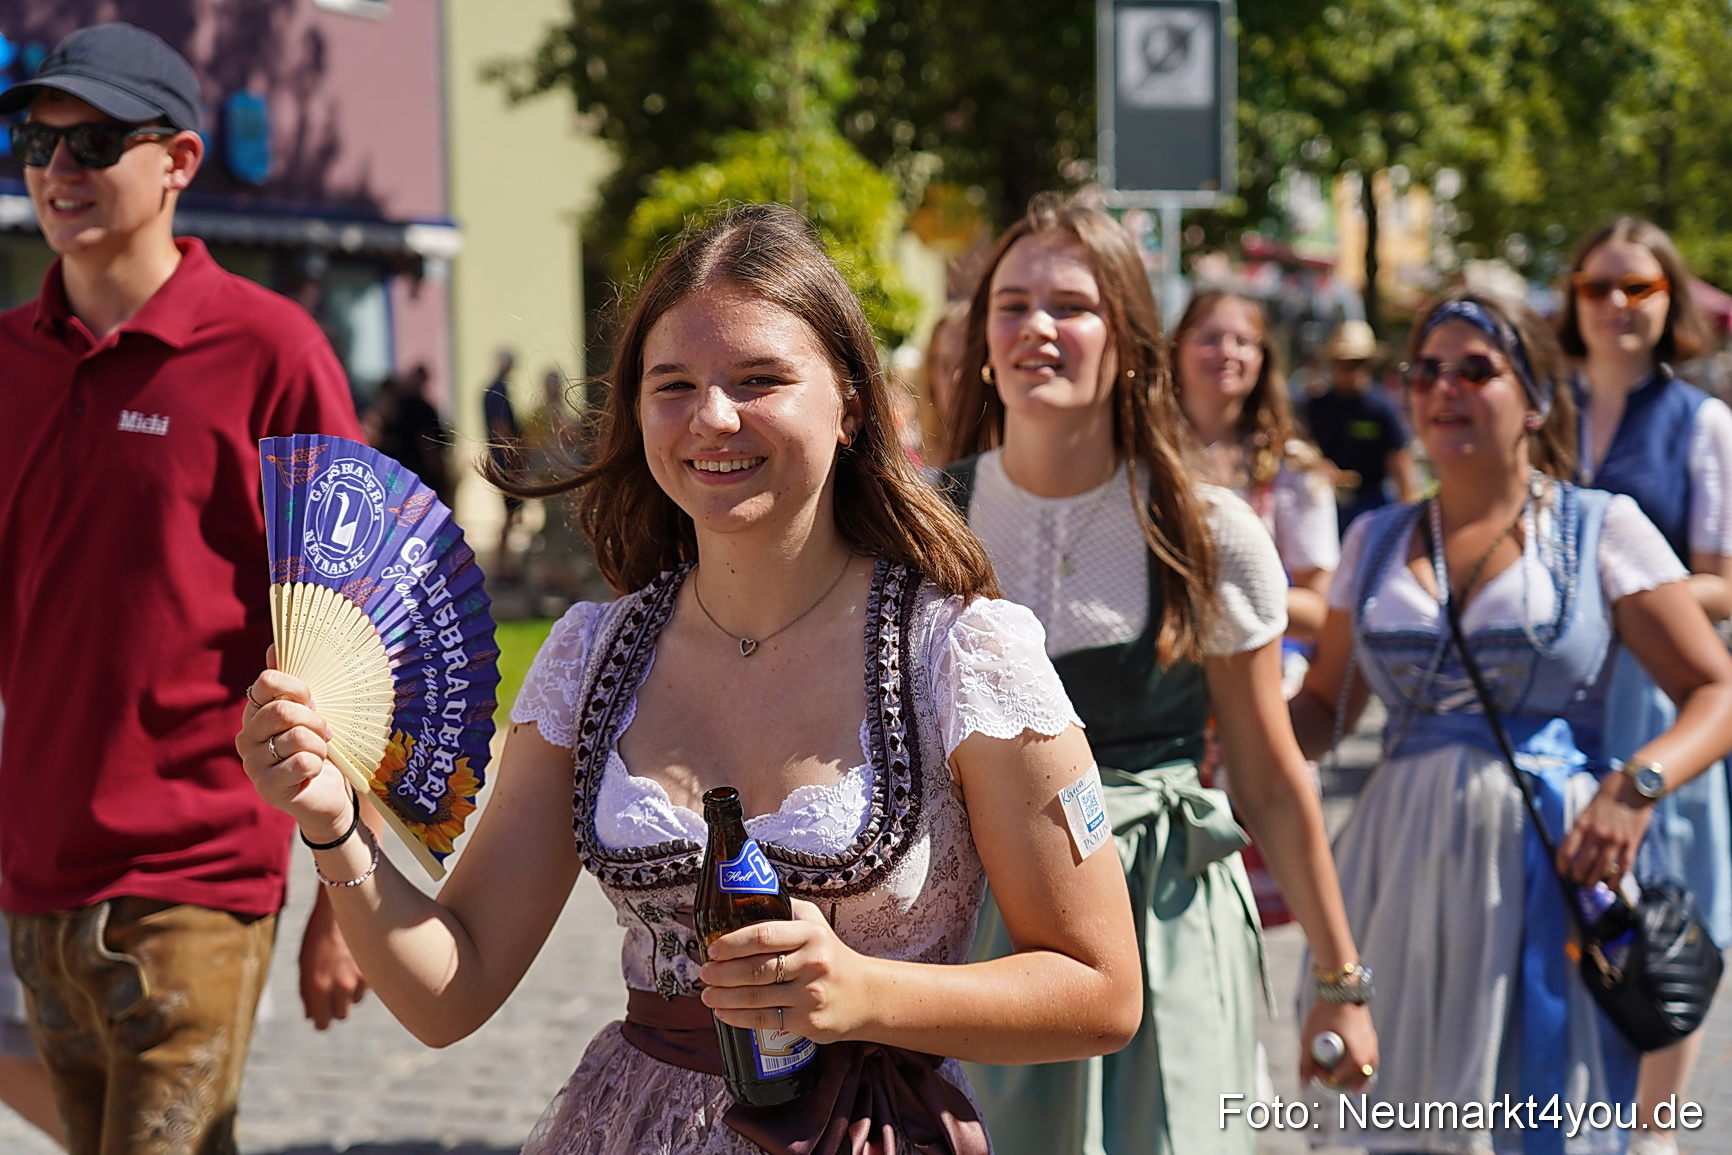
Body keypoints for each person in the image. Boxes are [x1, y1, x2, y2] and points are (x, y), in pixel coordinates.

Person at [237, 203, 1145, 1154]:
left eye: (759, 379)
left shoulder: (963, 652)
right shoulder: (592, 658)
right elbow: (451, 987)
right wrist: (334, 823)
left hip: (868, 1132)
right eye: (674, 385)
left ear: (852, 407)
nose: (713, 416)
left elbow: (1101, 990)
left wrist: (867, 990)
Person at [938, 194, 1376, 1155]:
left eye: (1072, 305)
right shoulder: (924, 527)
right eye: (1012, 305)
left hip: (1163, 911)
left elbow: (1266, 776)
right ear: (981, 339)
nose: (1037, 328)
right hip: (979, 921)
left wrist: (1341, 980)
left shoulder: (1206, 533)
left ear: (1129, 340)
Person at [0, 22, 371, 1155]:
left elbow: (355, 633)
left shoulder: (273, 351)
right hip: (35, 871)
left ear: (179, 162)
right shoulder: (6, 361)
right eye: (37, 140)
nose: (59, 171)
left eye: (96, 142)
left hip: (200, 869)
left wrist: (345, 900)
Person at [1288, 290, 1732, 1153]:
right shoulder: (1373, 539)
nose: (1444, 389)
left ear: (1533, 399)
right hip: (1394, 857)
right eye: (1426, 372)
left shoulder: (1602, 528)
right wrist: (1236, 738)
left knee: (1534, 1110)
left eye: (1476, 371)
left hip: (1546, 855)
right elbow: (1323, 708)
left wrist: (1636, 788)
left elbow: (1717, 690)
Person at [1558, 217, 1732, 1154]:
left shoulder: (1705, 423)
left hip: (1658, 695)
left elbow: (1728, 579)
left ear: (1673, 304)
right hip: (1555, 689)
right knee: (1572, 900)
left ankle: (1653, 1132)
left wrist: (1623, 582)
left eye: (1639, 289)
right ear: (1572, 301)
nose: (1618, 306)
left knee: (1667, 903)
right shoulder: (1544, 410)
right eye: (1598, 288)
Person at [1173, 290, 1339, 643]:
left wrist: (1215, 594)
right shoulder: (1136, 453)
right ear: (1176, 347)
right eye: (1210, 338)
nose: (1227, 352)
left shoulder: (1292, 468)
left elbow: (1320, 612)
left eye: (1244, 341)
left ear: (1263, 357)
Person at [1304, 319, 1420, 533]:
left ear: (1369, 364)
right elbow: (1304, 448)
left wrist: (1407, 519)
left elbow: (1400, 462)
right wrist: (1317, 465)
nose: (1349, 371)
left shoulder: (1382, 408)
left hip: (1371, 501)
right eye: (1343, 363)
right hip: (1326, 499)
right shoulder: (1316, 406)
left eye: (1357, 363)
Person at [382, 363, 454, 507]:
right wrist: (438, 473)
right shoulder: (416, 407)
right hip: (419, 472)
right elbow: (426, 442)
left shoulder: (400, 407)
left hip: (401, 473)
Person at [484, 347, 527, 582]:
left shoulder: (492, 389)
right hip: (505, 462)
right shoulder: (498, 390)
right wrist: (515, 456)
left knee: (511, 516)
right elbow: (501, 428)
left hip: (500, 459)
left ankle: (504, 565)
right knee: (509, 515)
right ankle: (501, 567)